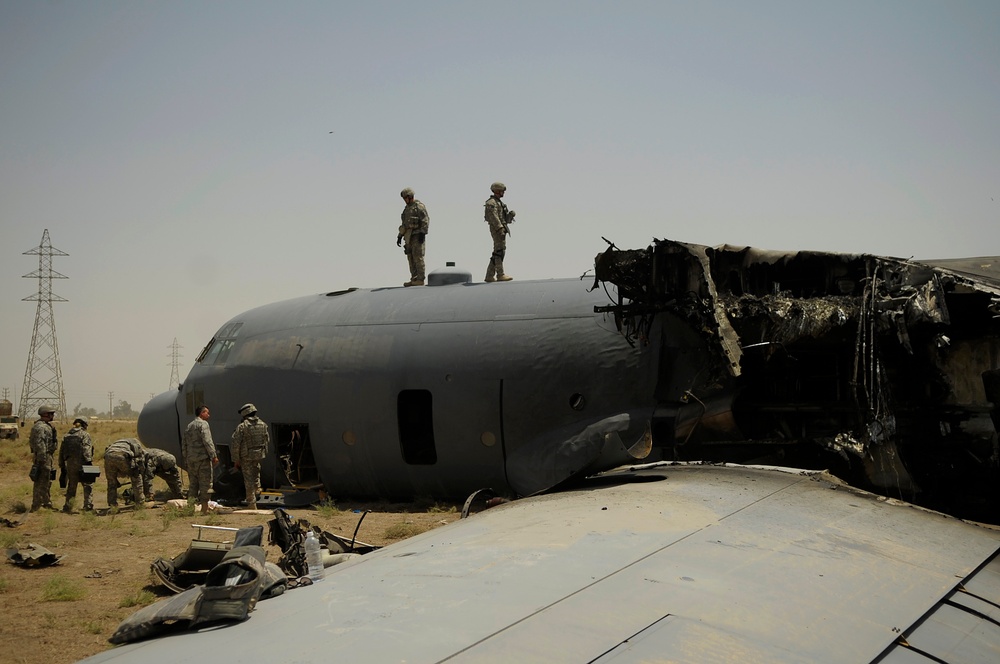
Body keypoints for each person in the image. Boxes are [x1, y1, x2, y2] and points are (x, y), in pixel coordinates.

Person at [231, 403, 270, 510]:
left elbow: (235, 444)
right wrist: (263, 453)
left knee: (248, 479)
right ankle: (257, 487)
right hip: (258, 455)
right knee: (256, 471)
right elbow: (267, 440)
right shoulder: (263, 424)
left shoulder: (242, 427)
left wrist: (236, 459)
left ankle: (252, 504)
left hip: (246, 456)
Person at [183, 405, 219, 514]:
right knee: (205, 484)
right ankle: (204, 509)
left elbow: (184, 444)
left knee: (193, 484)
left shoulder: (189, 426)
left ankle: (190, 509)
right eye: (207, 412)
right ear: (201, 413)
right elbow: (207, 441)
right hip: (202, 460)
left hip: (191, 460)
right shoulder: (203, 424)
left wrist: (186, 458)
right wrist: (213, 456)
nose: (209, 415)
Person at [58, 416, 94, 512]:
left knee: (71, 486)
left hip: (70, 464)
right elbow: (86, 449)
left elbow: (61, 451)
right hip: (82, 463)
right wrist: (89, 462)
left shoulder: (67, 435)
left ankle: (68, 506)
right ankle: (88, 505)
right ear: (84, 424)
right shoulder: (84, 435)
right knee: (87, 484)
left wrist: (61, 465)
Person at [397, 187, 430, 287]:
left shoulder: (419, 207)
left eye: (405, 198)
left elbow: (425, 220)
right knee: (410, 257)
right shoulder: (406, 209)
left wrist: (422, 233)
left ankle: (420, 279)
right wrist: (400, 236)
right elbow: (404, 225)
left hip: (417, 235)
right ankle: (414, 277)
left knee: (418, 257)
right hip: (408, 237)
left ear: (410, 197)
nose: (404, 200)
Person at [28, 404, 58, 512]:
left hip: (47, 456)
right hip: (43, 457)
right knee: (40, 481)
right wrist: (42, 459)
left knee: (47, 481)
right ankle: (36, 505)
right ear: (45, 414)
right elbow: (40, 444)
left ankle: (46, 503)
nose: (53, 415)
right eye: (51, 413)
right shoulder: (40, 427)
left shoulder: (47, 426)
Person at [484, 181, 514, 282]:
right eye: (502, 191)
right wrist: (499, 228)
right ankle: (500, 274)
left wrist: (510, 215)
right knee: (499, 251)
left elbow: (505, 219)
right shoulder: (491, 203)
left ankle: (489, 275)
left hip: (501, 229)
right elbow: (493, 217)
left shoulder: (499, 203)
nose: (503, 193)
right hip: (497, 229)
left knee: (498, 251)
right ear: (497, 191)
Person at [104, 437, 146, 508]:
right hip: (122, 455)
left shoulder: (118, 442)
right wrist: (140, 471)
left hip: (108, 456)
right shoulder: (136, 443)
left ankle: (112, 504)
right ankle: (140, 503)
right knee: (136, 479)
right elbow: (138, 458)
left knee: (111, 482)